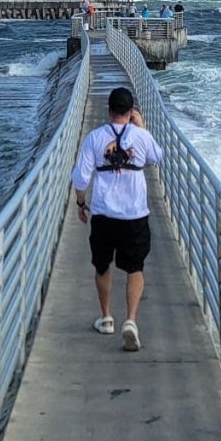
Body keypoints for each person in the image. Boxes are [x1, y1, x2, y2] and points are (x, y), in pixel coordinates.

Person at [71, 87, 162, 351]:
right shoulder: (141, 136)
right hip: (134, 213)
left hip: (103, 213)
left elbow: (81, 177)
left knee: (101, 265)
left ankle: (107, 317)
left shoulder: (95, 138)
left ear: (109, 110)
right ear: (131, 111)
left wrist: (80, 203)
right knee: (135, 268)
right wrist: (142, 127)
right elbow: (157, 157)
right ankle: (131, 321)